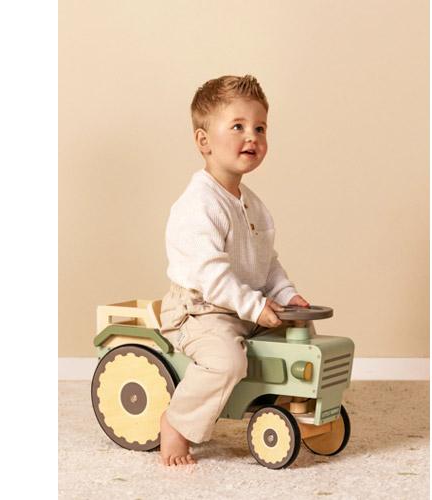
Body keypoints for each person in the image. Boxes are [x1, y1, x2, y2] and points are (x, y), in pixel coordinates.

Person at [159, 75, 310, 466]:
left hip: (242, 308)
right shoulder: (199, 204)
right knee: (226, 360)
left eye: (260, 128)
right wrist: (255, 306)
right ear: (204, 141)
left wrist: (286, 295)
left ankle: (284, 407)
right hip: (200, 311)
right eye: (238, 126)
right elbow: (212, 276)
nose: (252, 137)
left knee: (299, 338)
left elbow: (267, 263)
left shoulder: (254, 205)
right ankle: (177, 423)